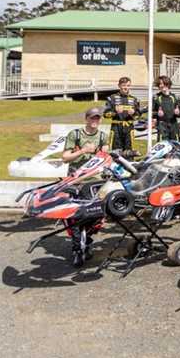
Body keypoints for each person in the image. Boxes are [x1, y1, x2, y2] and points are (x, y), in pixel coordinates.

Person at [61, 107, 110, 267]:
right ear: (86, 119)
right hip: (75, 181)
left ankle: (87, 242)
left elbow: (107, 159)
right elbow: (65, 158)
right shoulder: (75, 135)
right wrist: (83, 150)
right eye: (92, 118)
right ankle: (77, 250)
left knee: (94, 216)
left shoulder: (103, 136)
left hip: (94, 182)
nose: (95, 121)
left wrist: (99, 155)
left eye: (97, 118)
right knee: (74, 217)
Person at [103, 76, 140, 153]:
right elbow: (105, 114)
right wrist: (115, 112)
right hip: (116, 128)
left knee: (129, 151)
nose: (126, 87)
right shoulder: (112, 98)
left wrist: (133, 114)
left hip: (129, 128)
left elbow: (138, 116)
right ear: (119, 85)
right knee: (116, 151)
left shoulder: (134, 99)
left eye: (128, 85)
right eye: (123, 85)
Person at [151, 76, 180, 141]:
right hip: (162, 126)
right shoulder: (156, 97)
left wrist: (178, 112)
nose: (161, 86)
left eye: (163, 83)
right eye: (159, 84)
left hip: (174, 125)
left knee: (176, 145)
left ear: (168, 84)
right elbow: (152, 112)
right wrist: (157, 114)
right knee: (162, 145)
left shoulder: (175, 97)